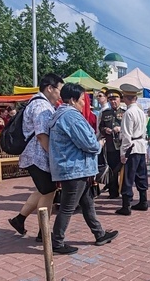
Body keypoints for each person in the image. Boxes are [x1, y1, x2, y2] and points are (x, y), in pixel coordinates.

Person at [47, 83, 119, 255]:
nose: (84, 103)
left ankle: (99, 233)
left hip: (75, 167)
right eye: (81, 100)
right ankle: (57, 242)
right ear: (72, 100)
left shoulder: (61, 114)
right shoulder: (71, 116)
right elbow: (88, 144)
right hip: (74, 168)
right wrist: (99, 143)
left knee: (87, 202)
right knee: (67, 206)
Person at [9, 73, 65, 239]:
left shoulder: (37, 102)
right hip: (38, 156)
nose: (60, 95)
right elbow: (42, 135)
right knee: (48, 191)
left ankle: (19, 220)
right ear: (50, 88)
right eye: (59, 90)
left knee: (43, 190)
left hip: (34, 156)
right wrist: (54, 156)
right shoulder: (42, 106)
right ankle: (44, 232)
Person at [116, 83, 149, 215]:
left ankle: (126, 205)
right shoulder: (141, 112)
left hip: (132, 147)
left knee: (127, 177)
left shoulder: (129, 113)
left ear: (126, 97)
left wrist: (124, 153)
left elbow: (126, 135)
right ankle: (143, 200)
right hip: (140, 146)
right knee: (141, 175)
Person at [97, 88, 125, 199]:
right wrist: (105, 130)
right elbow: (100, 127)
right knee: (112, 170)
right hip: (110, 146)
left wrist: (121, 128)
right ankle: (113, 192)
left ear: (120, 99)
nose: (113, 102)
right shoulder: (105, 113)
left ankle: (124, 191)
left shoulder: (124, 112)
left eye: (115, 99)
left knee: (123, 171)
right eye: (111, 99)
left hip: (122, 145)